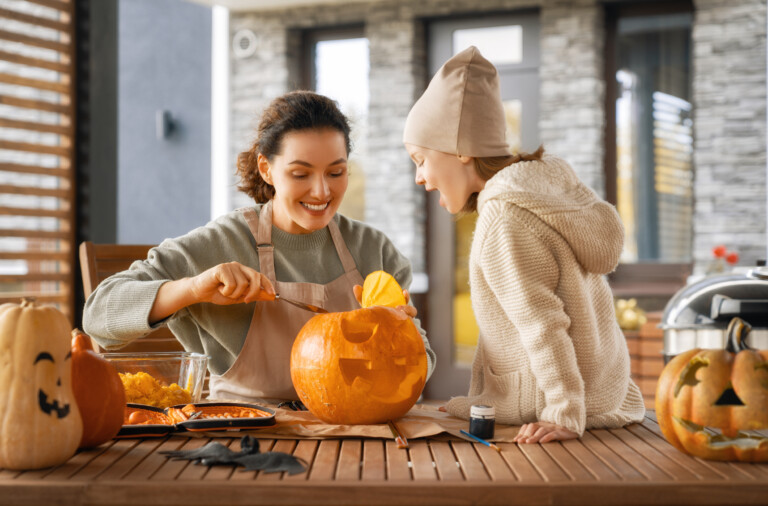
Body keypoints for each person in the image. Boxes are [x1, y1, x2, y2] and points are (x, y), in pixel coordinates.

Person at [83, 90, 435, 402]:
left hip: (355, 436)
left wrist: (398, 335)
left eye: (335, 172)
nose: (322, 192)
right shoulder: (223, 242)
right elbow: (98, 315)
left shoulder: (374, 250)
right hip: (243, 439)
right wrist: (193, 289)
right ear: (266, 169)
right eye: (301, 174)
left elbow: (424, 363)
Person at [402, 46, 645, 443]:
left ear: (462, 150)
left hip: (565, 402)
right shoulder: (539, 195)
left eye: (420, 159)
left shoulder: (504, 221)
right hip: (603, 392)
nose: (420, 178)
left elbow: (542, 325)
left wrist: (564, 414)